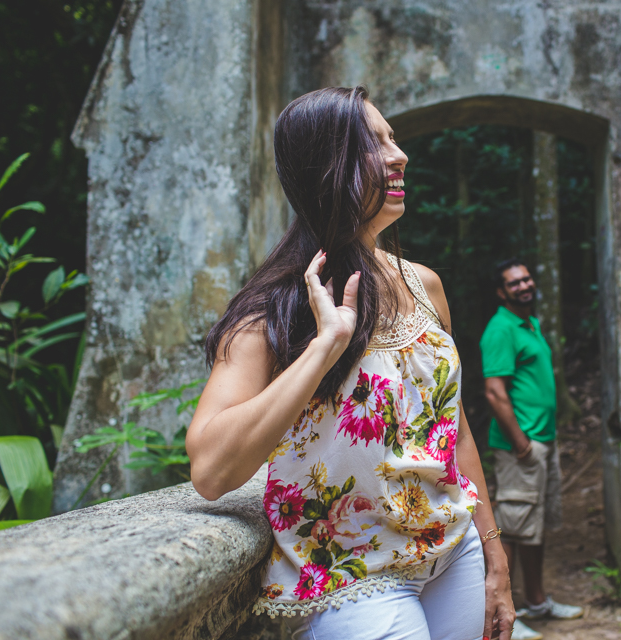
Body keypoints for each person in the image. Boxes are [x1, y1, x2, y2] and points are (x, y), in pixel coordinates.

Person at [186, 86, 515, 640]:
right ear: (324, 166)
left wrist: (494, 553)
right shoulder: (276, 311)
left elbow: (452, 432)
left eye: (394, 138)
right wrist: (323, 348)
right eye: (374, 142)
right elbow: (212, 471)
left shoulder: (425, 285)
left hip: (454, 554)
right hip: (354, 578)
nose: (399, 154)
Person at [480, 260, 584, 640]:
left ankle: (537, 600)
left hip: (542, 441)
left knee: (534, 524)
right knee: (511, 525)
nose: (524, 285)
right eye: (514, 282)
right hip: (519, 447)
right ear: (501, 292)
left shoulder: (530, 323)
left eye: (526, 278)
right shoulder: (501, 329)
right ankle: (503, 613)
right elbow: (494, 391)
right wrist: (520, 441)